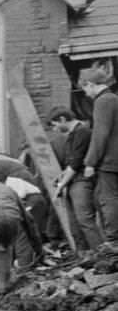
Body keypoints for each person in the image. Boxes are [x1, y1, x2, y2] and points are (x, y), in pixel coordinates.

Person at [49, 107, 103, 251]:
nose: (54, 130)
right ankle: (85, 257)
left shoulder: (82, 132)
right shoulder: (73, 135)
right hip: (74, 181)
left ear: (62, 119)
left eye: (54, 125)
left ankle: (104, 256)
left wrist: (60, 186)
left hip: (81, 182)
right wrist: (61, 177)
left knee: (84, 220)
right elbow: (71, 162)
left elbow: (75, 163)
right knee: (74, 224)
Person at [81, 67, 118, 245]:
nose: (86, 94)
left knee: (107, 199)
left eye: (85, 89)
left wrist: (90, 162)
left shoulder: (103, 101)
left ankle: (113, 240)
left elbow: (100, 133)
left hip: (109, 161)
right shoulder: (114, 99)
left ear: (90, 84)